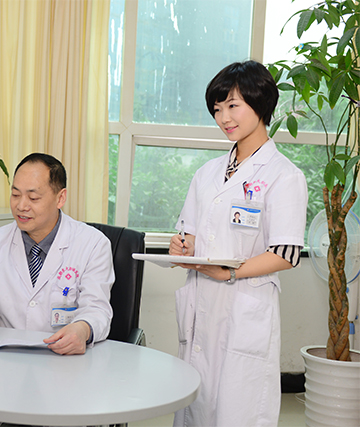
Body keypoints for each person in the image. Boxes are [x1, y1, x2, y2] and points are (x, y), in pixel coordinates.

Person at [168, 61, 307, 426]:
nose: (223, 118)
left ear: (260, 103)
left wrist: (228, 273)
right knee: (196, 407)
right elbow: (189, 234)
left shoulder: (284, 175)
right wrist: (182, 247)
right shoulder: (207, 173)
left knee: (238, 409)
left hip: (245, 305)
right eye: (217, 109)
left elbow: (286, 253)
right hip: (202, 302)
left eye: (232, 105)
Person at [0, 153, 114, 356]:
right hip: (7, 355)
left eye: (33, 198)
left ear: (60, 198)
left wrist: (82, 329)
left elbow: (96, 308)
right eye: (15, 195)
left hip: (63, 358)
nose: (21, 206)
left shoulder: (93, 244)